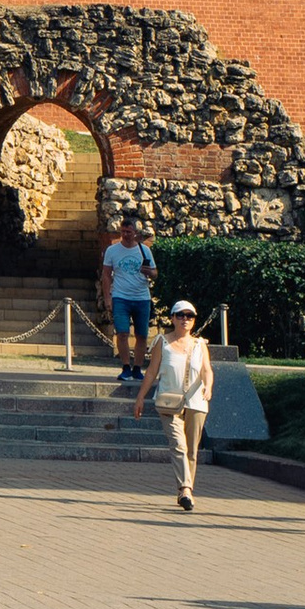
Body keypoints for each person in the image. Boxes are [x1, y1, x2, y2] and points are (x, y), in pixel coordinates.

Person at [134, 296, 213, 509]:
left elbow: (207, 369)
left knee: (192, 451)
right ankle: (185, 489)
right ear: (173, 318)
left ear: (194, 321)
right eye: (181, 315)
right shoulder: (162, 342)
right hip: (168, 402)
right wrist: (140, 397)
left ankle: (186, 491)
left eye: (189, 316)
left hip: (196, 402)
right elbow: (151, 372)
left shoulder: (200, 344)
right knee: (178, 444)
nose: (185, 320)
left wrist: (208, 387)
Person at [99, 213, 157, 377]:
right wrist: (107, 298)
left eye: (129, 232)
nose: (125, 235)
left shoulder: (144, 250)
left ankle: (138, 368)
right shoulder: (112, 250)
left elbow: (155, 273)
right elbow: (106, 275)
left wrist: (149, 272)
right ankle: (125, 366)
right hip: (121, 296)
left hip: (141, 297)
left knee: (141, 334)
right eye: (123, 232)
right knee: (122, 332)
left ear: (135, 233)